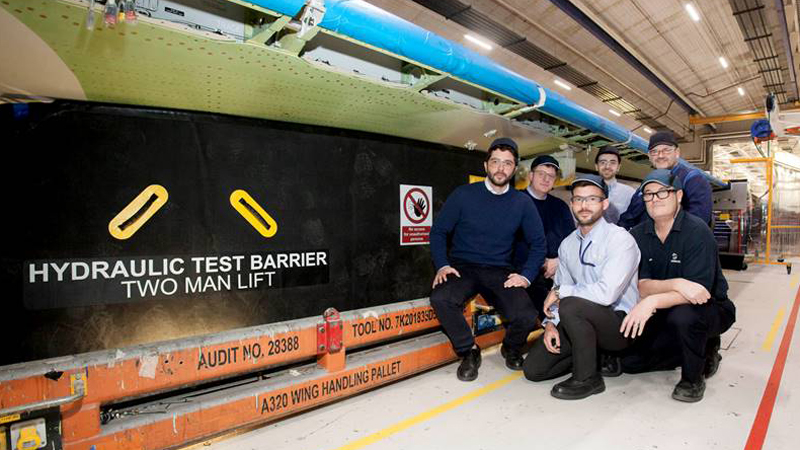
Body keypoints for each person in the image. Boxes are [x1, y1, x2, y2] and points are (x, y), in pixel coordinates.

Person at [430, 137, 546, 382]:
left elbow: (538, 244)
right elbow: (439, 231)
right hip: (463, 267)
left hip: (499, 269)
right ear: (486, 166)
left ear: (514, 169)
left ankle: (511, 348)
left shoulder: (521, 202)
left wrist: (525, 276)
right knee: (440, 298)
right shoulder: (463, 195)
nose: (500, 168)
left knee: (525, 314)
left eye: (507, 163)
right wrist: (442, 264)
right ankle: (469, 351)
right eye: (495, 162)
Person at [620, 169, 736, 402]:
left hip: (710, 308)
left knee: (684, 316)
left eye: (662, 193)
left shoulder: (697, 232)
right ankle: (692, 352)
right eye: (648, 194)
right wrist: (677, 283)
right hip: (665, 309)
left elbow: (698, 293)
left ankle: (693, 377)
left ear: (679, 196)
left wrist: (653, 299)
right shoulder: (638, 235)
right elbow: (642, 286)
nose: (654, 199)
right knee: (629, 364)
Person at [522, 174, 640, 400]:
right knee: (535, 369)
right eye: (578, 199)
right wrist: (551, 324)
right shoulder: (567, 245)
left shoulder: (620, 240)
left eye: (592, 199)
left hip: (619, 325)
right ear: (571, 204)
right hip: (578, 320)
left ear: (605, 204)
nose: (584, 206)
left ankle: (588, 378)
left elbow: (606, 294)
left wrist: (560, 294)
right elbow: (560, 286)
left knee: (571, 304)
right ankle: (592, 354)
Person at [513, 155, 575, 320]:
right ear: (531, 176)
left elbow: (572, 242)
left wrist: (558, 261)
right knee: (550, 314)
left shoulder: (560, 207)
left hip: (558, 272)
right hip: (525, 274)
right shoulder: (514, 201)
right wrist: (539, 264)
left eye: (551, 176)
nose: (546, 179)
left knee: (574, 309)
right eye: (541, 174)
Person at [618, 131, 712, 229]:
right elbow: (630, 216)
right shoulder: (648, 183)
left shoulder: (693, 180)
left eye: (666, 150)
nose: (660, 156)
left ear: (677, 153)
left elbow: (697, 224)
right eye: (654, 152)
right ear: (649, 156)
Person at [594, 145, 636, 225]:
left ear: (618, 167)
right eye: (603, 162)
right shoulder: (587, 191)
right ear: (596, 166)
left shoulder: (630, 193)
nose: (607, 166)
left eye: (612, 163)